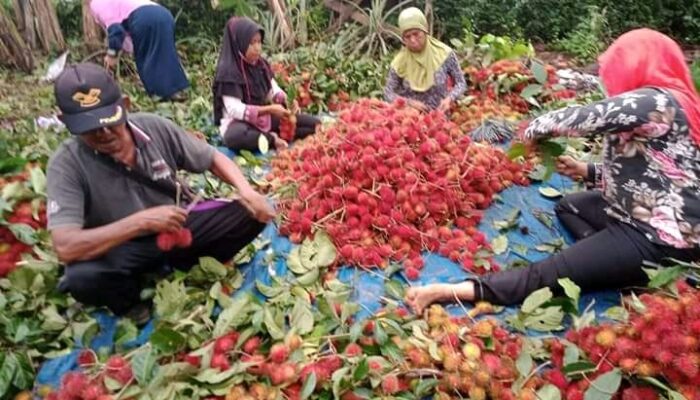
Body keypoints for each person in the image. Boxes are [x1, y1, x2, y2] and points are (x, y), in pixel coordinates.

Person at [406, 29, 700, 314]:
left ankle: (451, 291)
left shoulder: (659, 101)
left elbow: (587, 117)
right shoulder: (672, 105)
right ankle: (611, 266)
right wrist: (587, 170)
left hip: (662, 237)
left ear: (635, 65)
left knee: (550, 271)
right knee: (569, 206)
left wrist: (533, 130)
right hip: (641, 211)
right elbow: (650, 176)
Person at [48, 63, 275, 324]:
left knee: (253, 212)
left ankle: (186, 262)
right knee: (81, 277)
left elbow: (212, 157)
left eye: (110, 121)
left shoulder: (153, 127)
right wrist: (141, 222)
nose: (104, 133)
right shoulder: (66, 164)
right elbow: (64, 245)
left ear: (126, 104)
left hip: (178, 229)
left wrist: (247, 191)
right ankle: (129, 301)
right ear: (65, 121)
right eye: (90, 128)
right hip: (122, 247)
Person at [213, 17, 320, 152]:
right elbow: (234, 109)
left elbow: (272, 88)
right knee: (235, 137)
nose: (257, 48)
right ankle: (272, 139)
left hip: (262, 120)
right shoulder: (228, 71)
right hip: (239, 124)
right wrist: (269, 110)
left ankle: (276, 136)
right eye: (252, 43)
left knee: (314, 124)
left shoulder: (260, 64)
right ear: (240, 43)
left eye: (259, 42)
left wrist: (286, 100)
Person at [90, 0, 189, 101]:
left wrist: (112, 54)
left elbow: (116, 29)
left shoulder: (98, 3)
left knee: (147, 58)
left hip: (145, 18)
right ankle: (175, 91)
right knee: (165, 54)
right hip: (164, 15)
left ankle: (159, 95)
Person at [383, 7, 466, 113]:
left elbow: (461, 83)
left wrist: (449, 99)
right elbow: (388, 93)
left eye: (416, 34)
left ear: (425, 31)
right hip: (409, 120)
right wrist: (409, 103)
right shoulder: (399, 62)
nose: (413, 40)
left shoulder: (444, 53)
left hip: (440, 118)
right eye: (407, 37)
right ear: (403, 39)